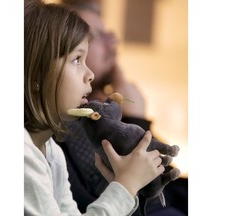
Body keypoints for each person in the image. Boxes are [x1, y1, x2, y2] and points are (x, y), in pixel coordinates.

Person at [24, 0, 167, 215]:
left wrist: (125, 187)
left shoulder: (51, 151)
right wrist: (125, 187)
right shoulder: (24, 157)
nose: (89, 74)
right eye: (77, 59)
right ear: (36, 76)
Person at [54, 0, 188, 215]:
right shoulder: (66, 124)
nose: (113, 41)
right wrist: (137, 121)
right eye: (97, 35)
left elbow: (168, 185)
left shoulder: (107, 110)